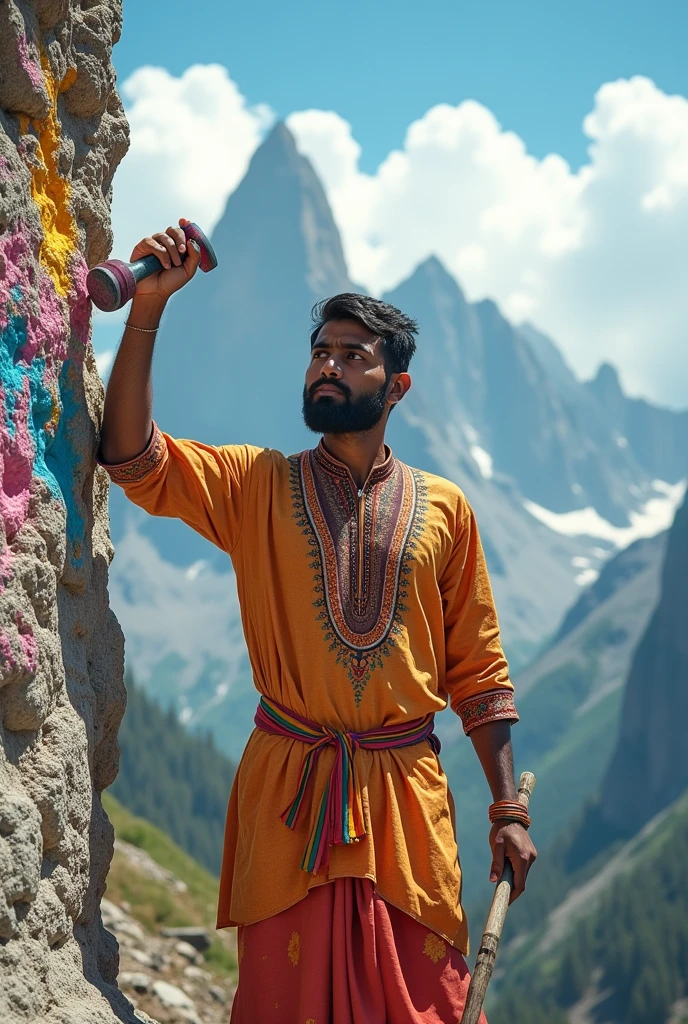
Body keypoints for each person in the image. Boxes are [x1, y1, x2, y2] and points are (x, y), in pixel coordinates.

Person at [99, 218, 537, 1024]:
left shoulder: (446, 509)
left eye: (351, 356)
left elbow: (479, 672)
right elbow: (131, 458)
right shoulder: (255, 483)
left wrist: (507, 809)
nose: (327, 367)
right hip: (291, 798)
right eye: (319, 353)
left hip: (408, 809)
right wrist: (149, 308)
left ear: (396, 387)